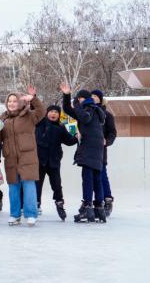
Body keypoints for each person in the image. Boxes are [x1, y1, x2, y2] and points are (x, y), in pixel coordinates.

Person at [0, 86, 46, 227]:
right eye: (9, 101)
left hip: (27, 156)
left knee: (28, 185)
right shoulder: (3, 118)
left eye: (14, 101)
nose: (11, 103)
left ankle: (31, 214)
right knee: (13, 187)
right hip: (11, 157)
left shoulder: (29, 115)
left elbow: (42, 112)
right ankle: (15, 214)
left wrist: (33, 99)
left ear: (20, 103)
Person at [61, 84, 107, 223]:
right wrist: (67, 95)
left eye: (79, 99)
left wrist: (76, 102)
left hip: (90, 147)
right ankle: (99, 208)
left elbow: (84, 118)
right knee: (96, 177)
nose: (77, 102)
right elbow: (68, 110)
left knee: (88, 177)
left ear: (83, 99)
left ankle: (88, 207)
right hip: (97, 149)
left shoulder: (89, 109)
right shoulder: (92, 109)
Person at [35, 105, 78, 220]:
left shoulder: (61, 127)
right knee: (37, 184)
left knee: (57, 185)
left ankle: (59, 203)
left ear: (59, 115)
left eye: (56, 112)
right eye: (51, 112)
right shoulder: (40, 124)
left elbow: (69, 141)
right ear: (47, 113)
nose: (53, 114)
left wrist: (76, 136)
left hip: (54, 161)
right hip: (40, 160)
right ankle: (36, 204)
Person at [91, 90, 117, 217]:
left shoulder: (107, 115)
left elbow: (112, 132)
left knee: (102, 175)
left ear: (100, 99)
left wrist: (107, 141)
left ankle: (107, 199)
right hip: (88, 152)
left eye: (96, 96)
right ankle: (95, 203)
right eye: (92, 96)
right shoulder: (87, 113)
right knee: (90, 178)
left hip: (101, 151)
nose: (93, 98)